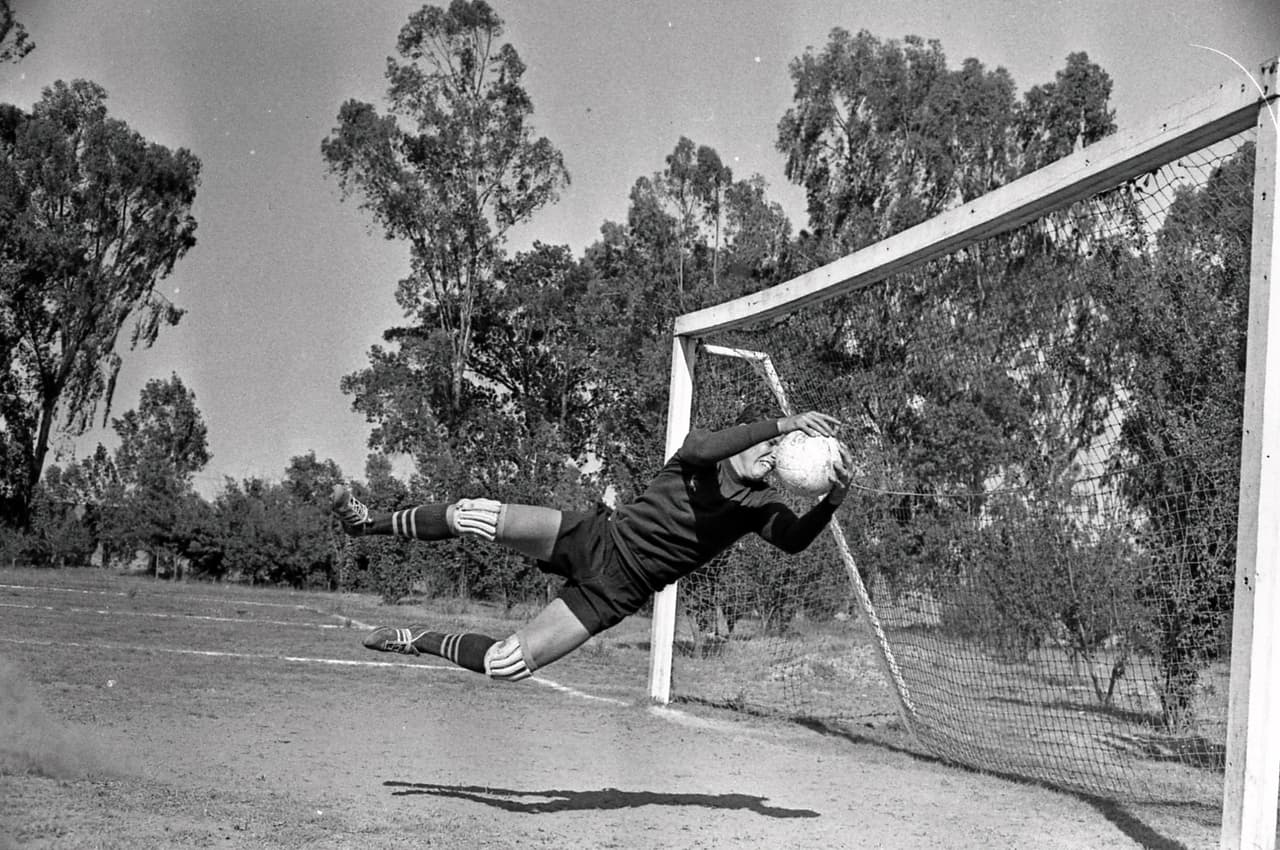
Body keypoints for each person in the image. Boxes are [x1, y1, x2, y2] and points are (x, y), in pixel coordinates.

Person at [331, 407, 853, 683]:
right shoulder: (702, 457)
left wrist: (831, 501)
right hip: (595, 537)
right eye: (770, 445)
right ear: (758, 436)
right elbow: (702, 444)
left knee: (504, 664)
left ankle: (416, 638)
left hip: (615, 592)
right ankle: (368, 523)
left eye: (779, 456)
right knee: (476, 514)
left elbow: (792, 542)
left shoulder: (758, 509)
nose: (770, 458)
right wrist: (785, 424)